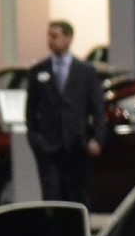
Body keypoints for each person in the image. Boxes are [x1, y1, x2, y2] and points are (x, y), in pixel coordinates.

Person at [24, 20, 102, 204]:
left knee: (77, 195)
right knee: (51, 195)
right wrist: (36, 140)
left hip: (77, 145)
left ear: (68, 39)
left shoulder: (85, 71)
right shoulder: (39, 71)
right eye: (49, 36)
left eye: (55, 36)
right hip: (48, 146)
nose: (50, 40)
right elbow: (31, 110)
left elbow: (97, 108)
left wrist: (96, 138)